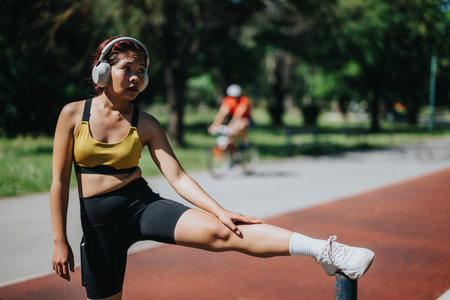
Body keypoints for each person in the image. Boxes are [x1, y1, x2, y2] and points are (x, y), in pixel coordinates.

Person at [50, 36, 374, 300]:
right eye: (127, 69)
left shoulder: (146, 123)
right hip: (97, 224)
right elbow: (60, 182)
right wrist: (59, 240)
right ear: (102, 71)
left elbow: (176, 175)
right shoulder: (72, 115)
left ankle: (325, 250)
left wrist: (219, 210)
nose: (136, 77)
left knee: (223, 231)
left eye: (142, 70)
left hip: (139, 206)